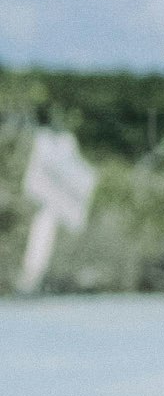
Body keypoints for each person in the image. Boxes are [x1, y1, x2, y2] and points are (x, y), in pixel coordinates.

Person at [16, 124, 87, 297]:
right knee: (41, 236)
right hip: (45, 208)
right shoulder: (45, 142)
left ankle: (36, 280)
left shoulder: (64, 143)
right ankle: (31, 279)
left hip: (56, 209)